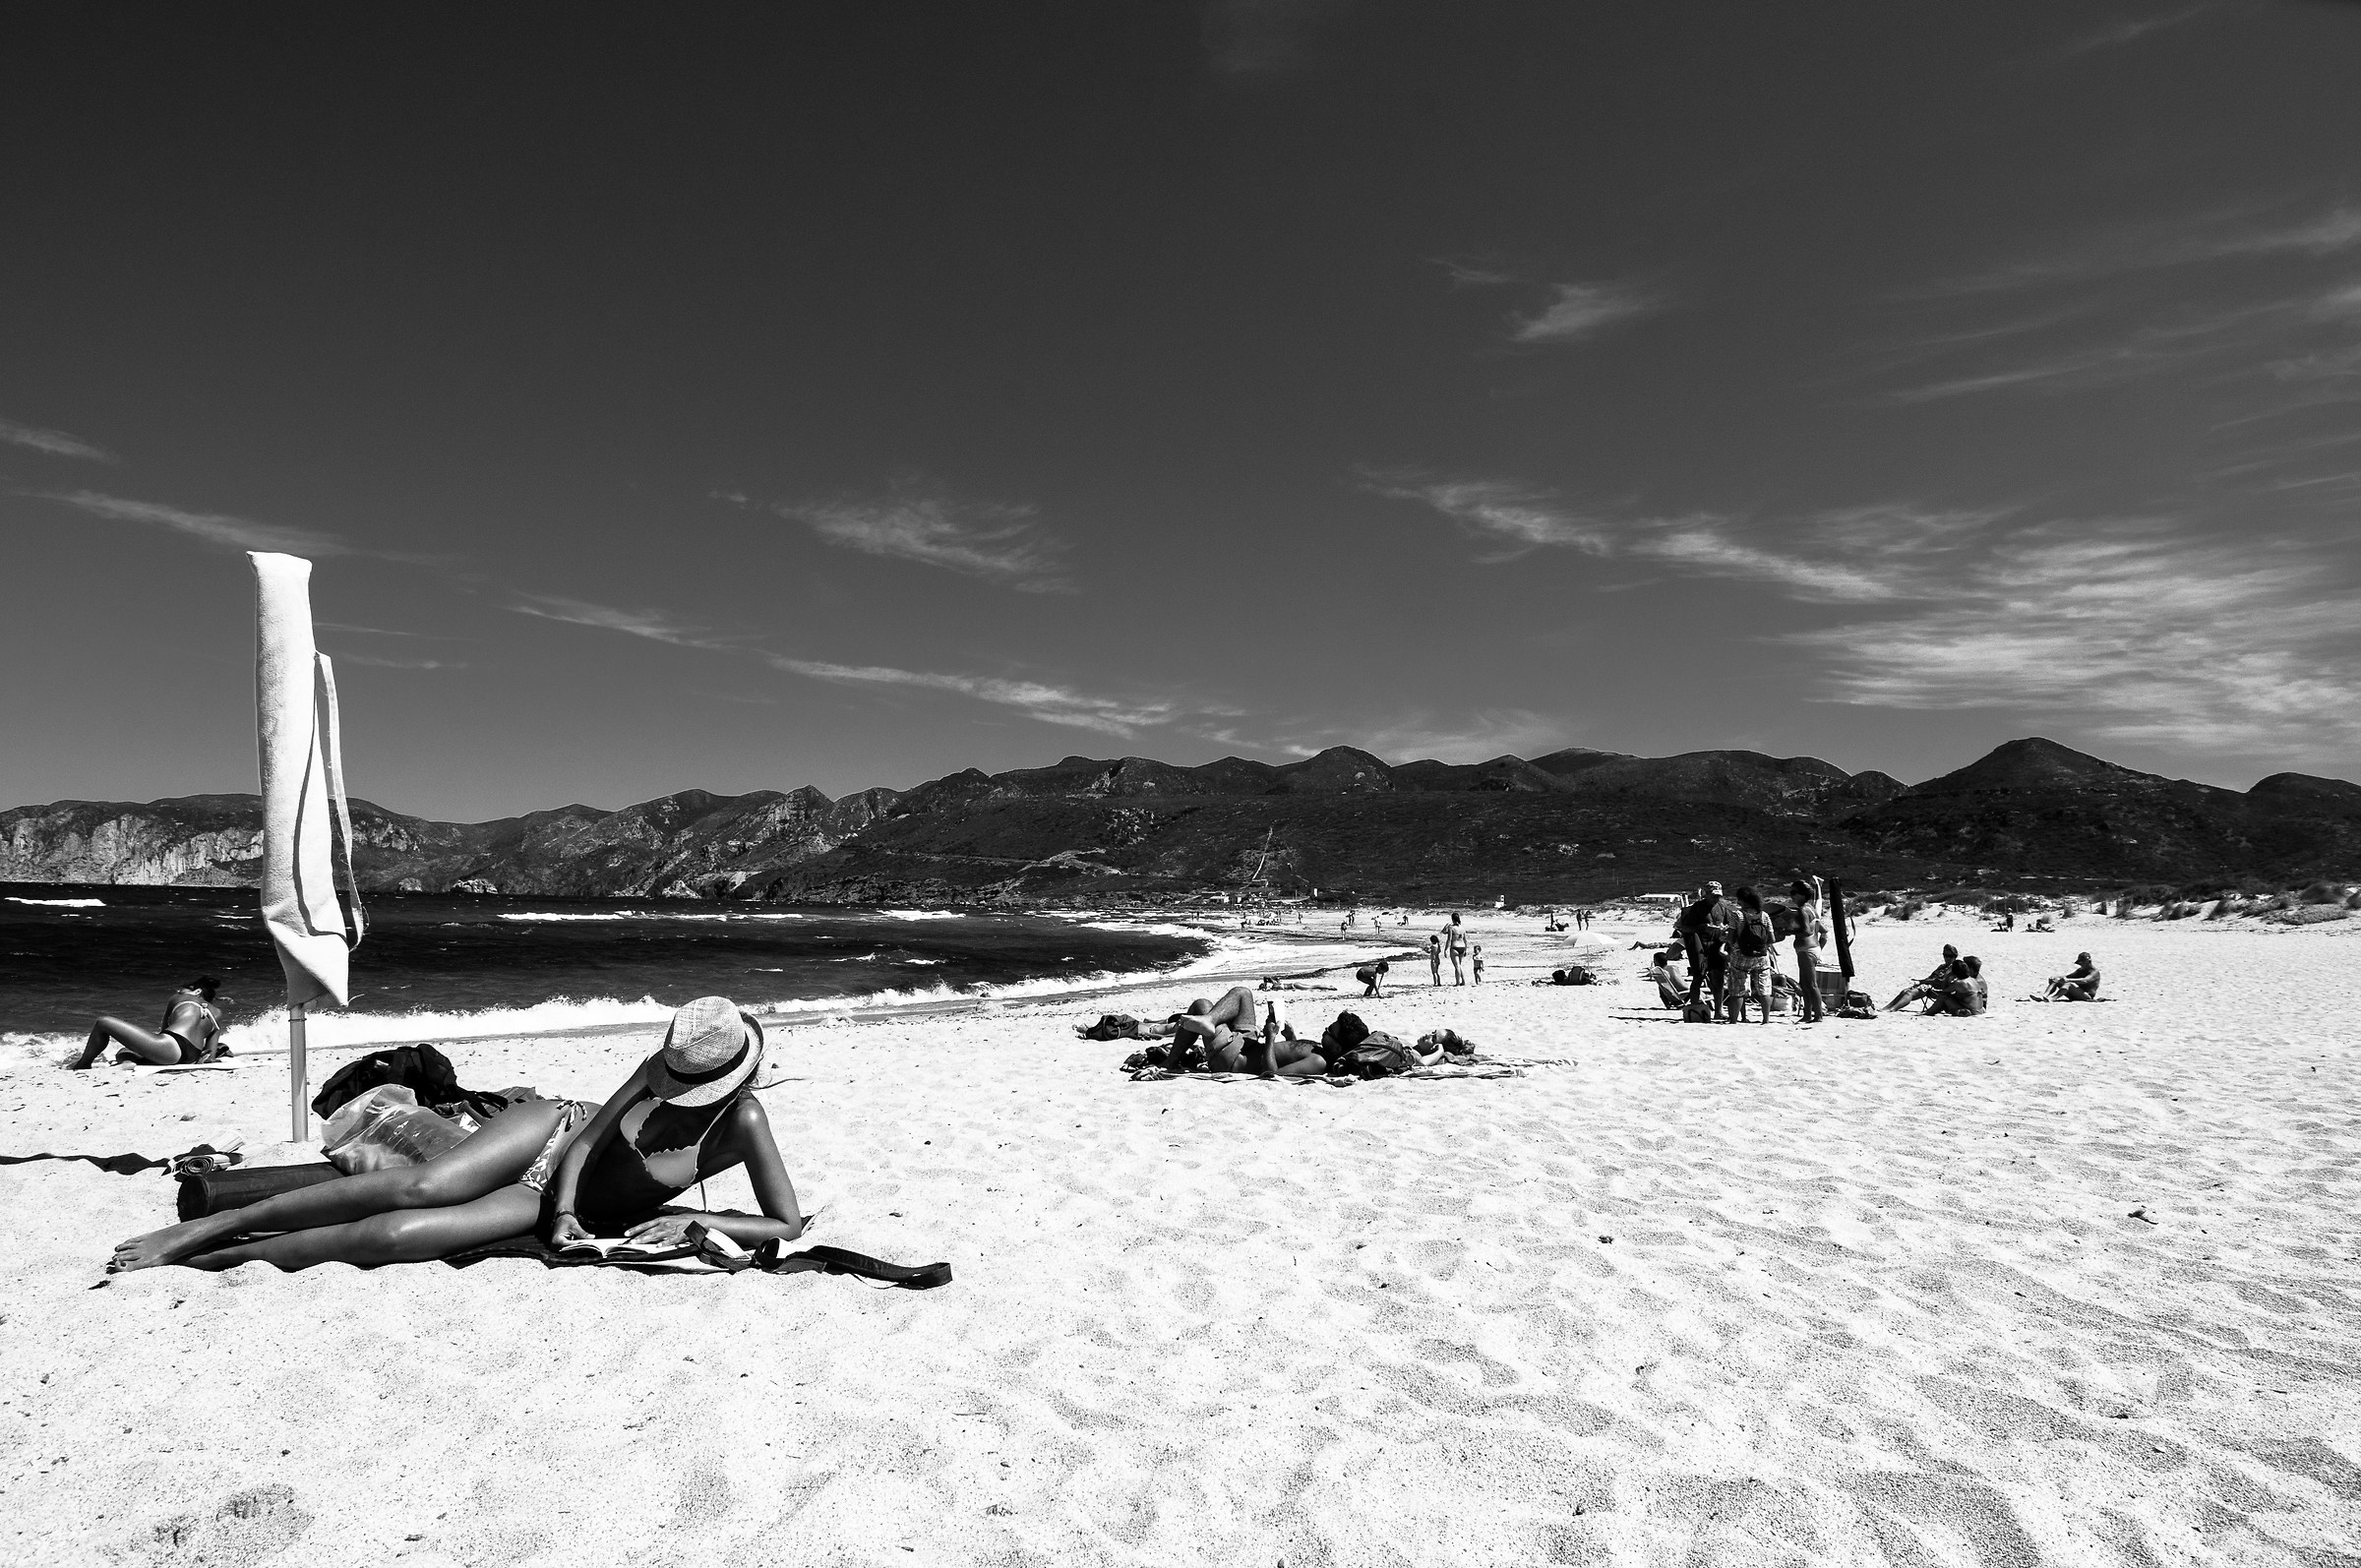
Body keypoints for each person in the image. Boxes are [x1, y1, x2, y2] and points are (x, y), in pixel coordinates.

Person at [109, 996, 804, 1273]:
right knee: (422, 1186)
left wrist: (694, 1228)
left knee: (396, 1237)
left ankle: (225, 1259)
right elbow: (590, 1139)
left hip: (557, 1204)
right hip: (551, 1139)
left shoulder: (742, 1122)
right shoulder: (661, 1066)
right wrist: (563, 1211)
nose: (671, 1090)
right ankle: (214, 1225)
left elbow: (785, 1223)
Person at [71, 977, 227, 1068]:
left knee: (103, 1022)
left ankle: (82, 1064)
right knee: (125, 1052)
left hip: (171, 1048)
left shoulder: (179, 998)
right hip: (191, 1057)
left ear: (197, 991)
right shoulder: (217, 1013)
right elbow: (210, 1055)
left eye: (181, 990)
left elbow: (164, 1030)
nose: (178, 992)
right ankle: (130, 1061)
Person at [1676, 881, 1740, 1015]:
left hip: (1716, 945)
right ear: (1706, 895)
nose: (1716, 899)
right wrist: (1702, 927)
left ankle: (1718, 1011)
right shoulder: (1697, 908)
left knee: (1718, 978)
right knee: (1698, 975)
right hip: (1699, 945)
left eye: (1718, 896)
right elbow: (1686, 928)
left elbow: (1730, 925)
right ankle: (1694, 1007)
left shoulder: (1722, 907)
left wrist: (1725, 930)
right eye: (1713, 896)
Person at [1725, 887, 1776, 1024]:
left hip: (1741, 955)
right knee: (1764, 988)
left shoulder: (1737, 915)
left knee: (1738, 989)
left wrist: (1731, 947)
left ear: (1743, 900)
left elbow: (1730, 938)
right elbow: (1772, 939)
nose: (1738, 902)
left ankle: (1734, 1020)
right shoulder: (1764, 915)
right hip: (1761, 956)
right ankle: (1765, 1020)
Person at [1788, 879, 1827, 1024]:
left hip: (1806, 950)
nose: (1791, 896)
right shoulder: (1812, 909)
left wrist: (1787, 931)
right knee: (1805, 984)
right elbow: (1824, 931)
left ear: (1803, 895)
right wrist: (1820, 947)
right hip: (1812, 949)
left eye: (1794, 893)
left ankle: (1818, 1015)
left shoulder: (1802, 910)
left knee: (1811, 984)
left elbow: (1805, 931)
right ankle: (1807, 1015)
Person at [1885, 945, 1961, 1011]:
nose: (1947, 958)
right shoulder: (1942, 966)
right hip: (1930, 986)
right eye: (1945, 955)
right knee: (1904, 991)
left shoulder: (1954, 968)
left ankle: (1893, 1009)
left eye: (1950, 956)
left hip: (1939, 990)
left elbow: (1941, 982)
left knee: (1909, 993)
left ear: (1955, 957)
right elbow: (1931, 977)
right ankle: (1886, 1008)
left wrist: (1925, 982)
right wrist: (1922, 981)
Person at [1445, 914, 1470, 986]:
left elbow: (1449, 939)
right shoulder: (1462, 928)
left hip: (1455, 947)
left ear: (1452, 919)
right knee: (1459, 965)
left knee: (1457, 966)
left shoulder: (1451, 928)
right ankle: (1463, 981)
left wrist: (1446, 949)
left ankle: (1457, 982)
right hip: (1462, 946)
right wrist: (1466, 949)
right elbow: (1465, 940)